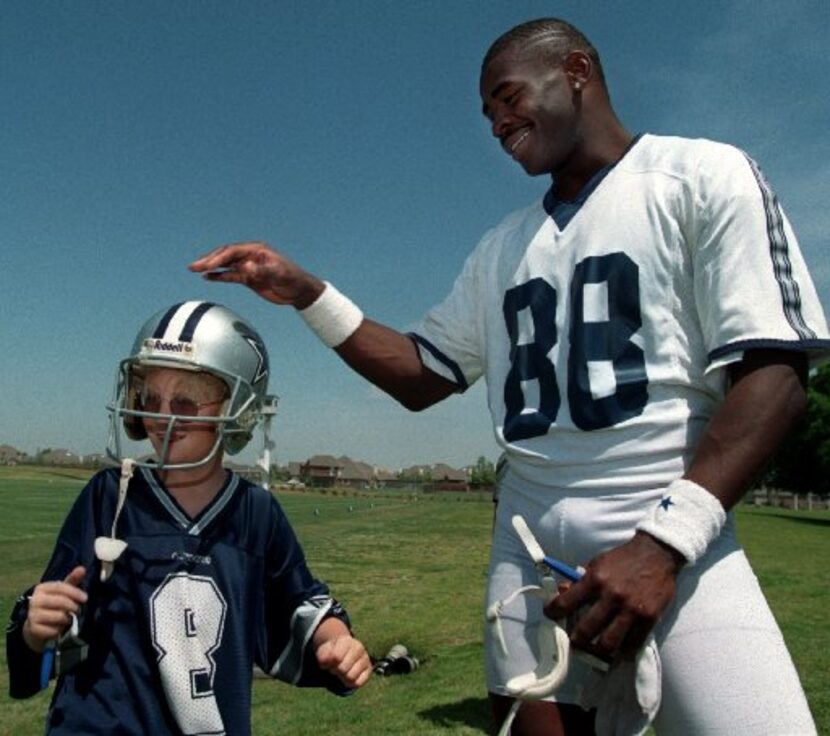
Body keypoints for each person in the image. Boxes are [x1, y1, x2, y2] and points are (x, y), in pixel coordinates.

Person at [187, 17, 828, 736]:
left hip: (674, 536)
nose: (497, 123)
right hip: (528, 550)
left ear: (577, 71)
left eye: (508, 96)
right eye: (487, 113)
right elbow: (423, 374)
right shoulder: (502, 248)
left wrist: (663, 546)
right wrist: (308, 293)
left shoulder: (701, 176)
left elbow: (775, 371)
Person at [6, 301, 372, 735]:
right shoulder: (109, 497)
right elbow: (54, 626)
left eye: (186, 400)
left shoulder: (255, 515)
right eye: (150, 396)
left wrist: (336, 642)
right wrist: (36, 628)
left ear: (236, 407)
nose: (162, 414)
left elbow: (299, 606)